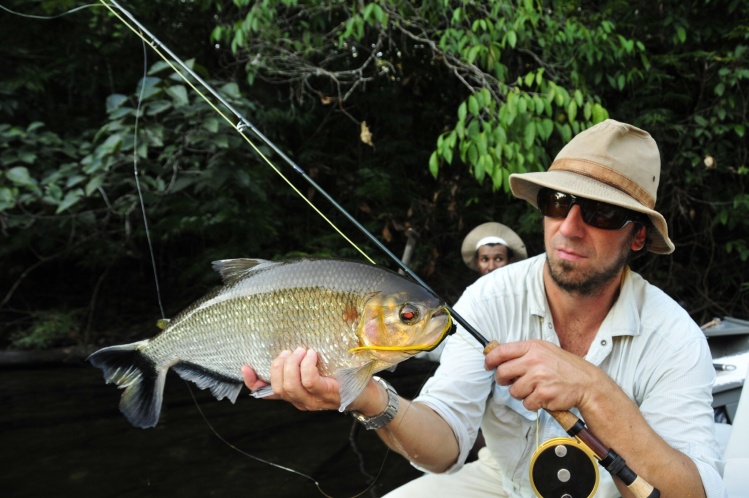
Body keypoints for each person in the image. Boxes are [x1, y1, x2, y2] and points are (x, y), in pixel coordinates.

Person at [241, 120, 725, 497]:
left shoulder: (674, 336)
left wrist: (594, 391)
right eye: (559, 201)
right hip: (500, 482)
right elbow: (447, 444)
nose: (570, 227)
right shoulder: (490, 297)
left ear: (639, 235)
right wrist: (369, 397)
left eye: (602, 213)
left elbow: (689, 492)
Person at [462, 222, 528, 276]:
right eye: (485, 260)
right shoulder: (471, 292)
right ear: (477, 263)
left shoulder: (522, 290)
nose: (491, 267)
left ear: (511, 261)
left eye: (499, 259)